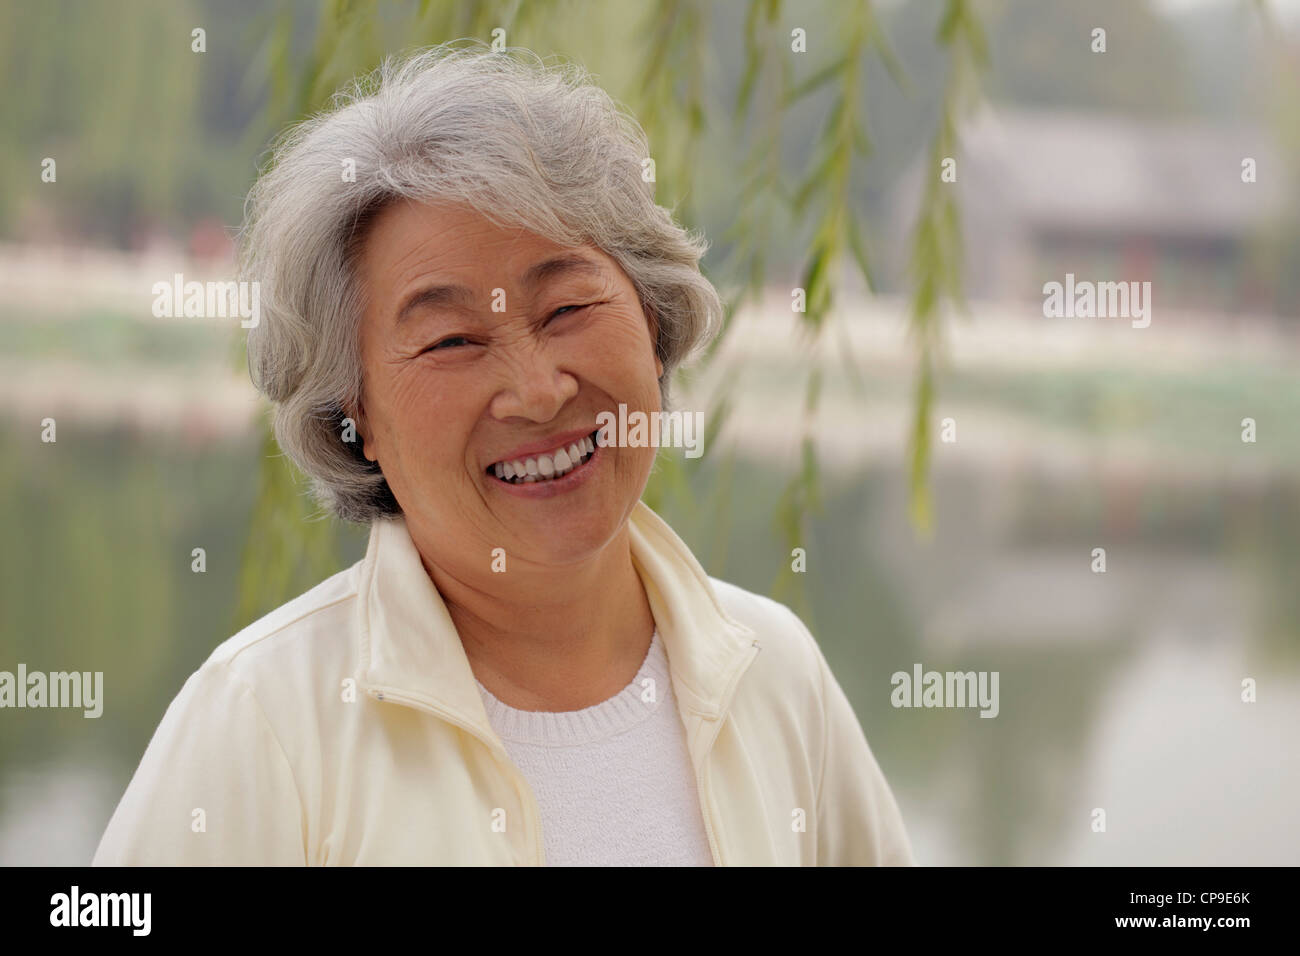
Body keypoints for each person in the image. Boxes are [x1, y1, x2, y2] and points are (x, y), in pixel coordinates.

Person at [92, 41, 913, 866]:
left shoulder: (774, 673)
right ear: (358, 415)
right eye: (451, 340)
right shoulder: (263, 719)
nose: (537, 391)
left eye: (566, 307)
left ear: (655, 324)